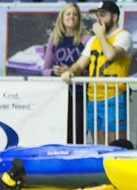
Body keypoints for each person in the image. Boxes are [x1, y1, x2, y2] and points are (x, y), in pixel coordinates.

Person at [61, 1, 133, 144]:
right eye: (98, 15)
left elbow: (111, 55)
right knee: (98, 145)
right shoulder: (93, 40)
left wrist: (100, 35)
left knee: (116, 145)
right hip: (93, 97)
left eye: (103, 15)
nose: (99, 19)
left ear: (115, 17)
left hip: (114, 96)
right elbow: (80, 63)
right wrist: (70, 71)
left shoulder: (123, 36)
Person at [43, 3, 90, 142]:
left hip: (80, 94)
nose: (71, 17)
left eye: (75, 14)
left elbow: (90, 70)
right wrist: (57, 72)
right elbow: (44, 70)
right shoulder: (54, 39)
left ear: (79, 18)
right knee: (60, 134)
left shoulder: (86, 39)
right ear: (62, 17)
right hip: (58, 95)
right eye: (68, 14)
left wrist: (71, 72)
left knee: (78, 134)